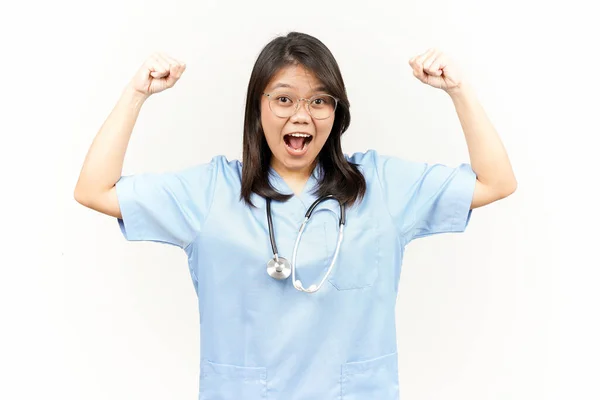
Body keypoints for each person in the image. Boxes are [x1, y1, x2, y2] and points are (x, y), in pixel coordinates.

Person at [74, 32, 516, 400]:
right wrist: (136, 94)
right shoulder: (210, 192)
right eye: (284, 99)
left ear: (336, 111)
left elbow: (496, 182)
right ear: (258, 107)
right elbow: (94, 189)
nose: (301, 116)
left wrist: (460, 91)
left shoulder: (381, 187)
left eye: (320, 101)